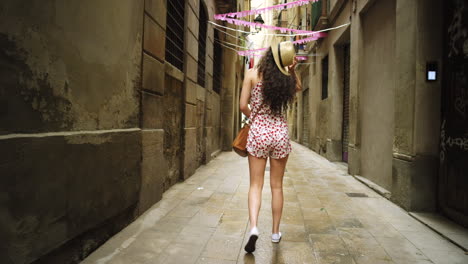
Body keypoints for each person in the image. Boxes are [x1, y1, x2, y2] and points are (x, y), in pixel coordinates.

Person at [239, 40, 301, 253]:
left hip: (258, 133)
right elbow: (299, 88)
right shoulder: (285, 79)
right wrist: (292, 71)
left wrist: (255, 119)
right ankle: (275, 232)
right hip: (280, 133)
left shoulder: (251, 74)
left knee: (255, 185)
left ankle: (254, 227)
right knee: (277, 186)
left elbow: (242, 105)